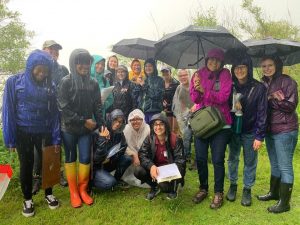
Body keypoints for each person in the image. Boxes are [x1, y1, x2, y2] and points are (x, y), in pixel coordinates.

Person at [2, 50, 60, 217]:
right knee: (26, 165)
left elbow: (55, 113)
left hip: (45, 132)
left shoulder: (51, 86)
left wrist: (56, 137)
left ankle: (48, 193)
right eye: (38, 70)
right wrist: (10, 138)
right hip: (23, 132)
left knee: (47, 162)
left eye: (45, 71)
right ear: (30, 68)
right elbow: (8, 111)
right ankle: (27, 198)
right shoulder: (14, 82)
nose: (42, 74)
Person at [57, 49, 103, 208]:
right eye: (80, 62)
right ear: (73, 63)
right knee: (70, 158)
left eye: (87, 62)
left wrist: (102, 123)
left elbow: (98, 106)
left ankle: (83, 190)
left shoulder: (93, 83)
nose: (84, 65)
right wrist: (84, 121)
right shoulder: (66, 81)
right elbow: (64, 108)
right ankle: (73, 192)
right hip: (69, 129)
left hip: (86, 131)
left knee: (84, 158)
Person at [190, 48, 232, 209]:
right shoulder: (198, 74)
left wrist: (204, 90)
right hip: (203, 122)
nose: (213, 62)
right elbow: (195, 98)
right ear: (206, 60)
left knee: (217, 159)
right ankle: (203, 188)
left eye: (217, 60)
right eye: (210, 60)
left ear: (221, 62)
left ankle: (218, 192)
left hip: (221, 123)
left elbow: (223, 97)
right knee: (200, 158)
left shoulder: (225, 75)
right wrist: (196, 88)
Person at [257, 55, 298, 213]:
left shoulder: (287, 81)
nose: (267, 68)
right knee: (274, 164)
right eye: (264, 66)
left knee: (285, 166)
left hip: (285, 129)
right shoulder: (263, 83)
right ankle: (274, 193)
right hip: (269, 130)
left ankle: (284, 203)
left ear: (277, 65)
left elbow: (290, 105)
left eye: (270, 65)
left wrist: (270, 100)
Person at [226, 53, 268, 206]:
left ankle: (247, 189)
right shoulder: (230, 86)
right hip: (233, 130)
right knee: (232, 159)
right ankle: (233, 185)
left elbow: (263, 113)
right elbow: (223, 107)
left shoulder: (259, 88)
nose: (239, 71)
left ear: (248, 68)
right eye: (236, 68)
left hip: (251, 131)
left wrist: (259, 136)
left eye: (242, 67)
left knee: (250, 161)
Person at [32, 40, 69, 194]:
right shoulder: (36, 68)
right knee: (38, 146)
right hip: (40, 114)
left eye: (56, 50)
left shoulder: (63, 69)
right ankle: (37, 178)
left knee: (56, 143)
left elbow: (69, 89)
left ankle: (56, 174)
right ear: (44, 50)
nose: (54, 52)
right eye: (51, 49)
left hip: (59, 113)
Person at [134, 113, 186, 200]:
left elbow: (181, 161)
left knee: (165, 187)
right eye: (155, 124)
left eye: (161, 124)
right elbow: (142, 154)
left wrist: (167, 173)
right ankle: (154, 186)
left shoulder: (175, 139)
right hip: (156, 169)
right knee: (138, 171)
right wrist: (151, 166)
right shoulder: (149, 138)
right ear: (152, 126)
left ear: (166, 125)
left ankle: (173, 187)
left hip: (170, 170)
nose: (158, 127)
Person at [93, 109, 132, 190]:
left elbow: (123, 147)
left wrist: (112, 157)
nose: (118, 124)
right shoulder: (99, 132)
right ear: (110, 119)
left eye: (120, 122)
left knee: (127, 159)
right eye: (115, 120)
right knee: (109, 183)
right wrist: (103, 139)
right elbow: (95, 159)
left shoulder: (119, 133)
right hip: (96, 167)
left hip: (108, 162)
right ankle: (92, 182)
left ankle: (117, 180)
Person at [122, 109, 150, 187]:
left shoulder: (148, 129)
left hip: (144, 156)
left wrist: (140, 156)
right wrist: (134, 154)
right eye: (132, 120)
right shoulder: (126, 129)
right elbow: (123, 146)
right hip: (130, 156)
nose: (135, 121)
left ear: (142, 119)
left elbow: (150, 147)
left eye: (138, 119)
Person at [172, 69, 194, 163]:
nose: (183, 77)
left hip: (196, 116)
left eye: (185, 75)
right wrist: (180, 118)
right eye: (181, 76)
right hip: (184, 117)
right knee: (186, 137)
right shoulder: (179, 88)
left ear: (189, 75)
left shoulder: (195, 86)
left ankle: (198, 160)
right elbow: (176, 104)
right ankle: (186, 157)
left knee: (197, 139)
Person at [134, 58, 165, 124]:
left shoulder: (160, 80)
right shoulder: (144, 79)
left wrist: (144, 85)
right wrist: (138, 85)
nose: (148, 68)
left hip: (154, 112)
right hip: (142, 112)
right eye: (146, 66)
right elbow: (135, 96)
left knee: (153, 132)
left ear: (154, 67)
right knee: (144, 133)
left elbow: (156, 96)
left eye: (150, 66)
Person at [90, 55, 113, 120]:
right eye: (97, 63)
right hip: (86, 119)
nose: (100, 66)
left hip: (100, 117)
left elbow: (111, 99)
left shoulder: (105, 81)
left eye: (102, 64)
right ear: (92, 64)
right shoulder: (85, 78)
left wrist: (104, 104)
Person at [161, 66, 179, 132]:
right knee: (167, 129)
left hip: (173, 110)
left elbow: (178, 99)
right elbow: (160, 96)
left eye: (167, 71)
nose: (165, 74)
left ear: (170, 72)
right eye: (163, 72)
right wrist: (162, 104)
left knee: (174, 130)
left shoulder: (176, 83)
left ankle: (175, 142)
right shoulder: (161, 83)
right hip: (164, 110)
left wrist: (169, 106)